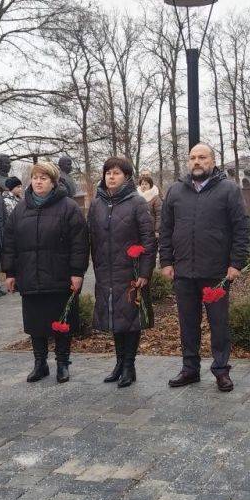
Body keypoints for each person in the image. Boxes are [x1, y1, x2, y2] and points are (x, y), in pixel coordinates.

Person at [160, 143, 250, 392]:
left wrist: (236, 263)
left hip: (216, 272)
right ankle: (190, 369)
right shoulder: (176, 190)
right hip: (184, 272)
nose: (197, 161)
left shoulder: (228, 189)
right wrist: (166, 261)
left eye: (202, 157)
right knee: (187, 323)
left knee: (219, 324)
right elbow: (166, 229)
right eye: (192, 158)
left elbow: (241, 229)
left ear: (212, 160)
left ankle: (221, 370)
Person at [3, 161, 89, 383]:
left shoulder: (68, 207)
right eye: (35, 177)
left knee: (61, 323)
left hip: (59, 276)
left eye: (44, 178)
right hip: (30, 276)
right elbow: (10, 242)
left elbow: (79, 243)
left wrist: (77, 272)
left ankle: (63, 364)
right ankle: (39, 363)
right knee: (35, 323)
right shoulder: (21, 209)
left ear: (53, 182)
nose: (38, 182)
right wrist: (10, 272)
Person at [89, 157, 156, 388]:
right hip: (106, 272)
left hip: (131, 271)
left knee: (131, 319)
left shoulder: (137, 203)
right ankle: (118, 363)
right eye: (108, 172)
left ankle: (129, 365)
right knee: (114, 318)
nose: (111, 176)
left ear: (127, 177)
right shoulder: (97, 203)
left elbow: (148, 239)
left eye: (116, 173)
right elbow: (92, 238)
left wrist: (145, 272)